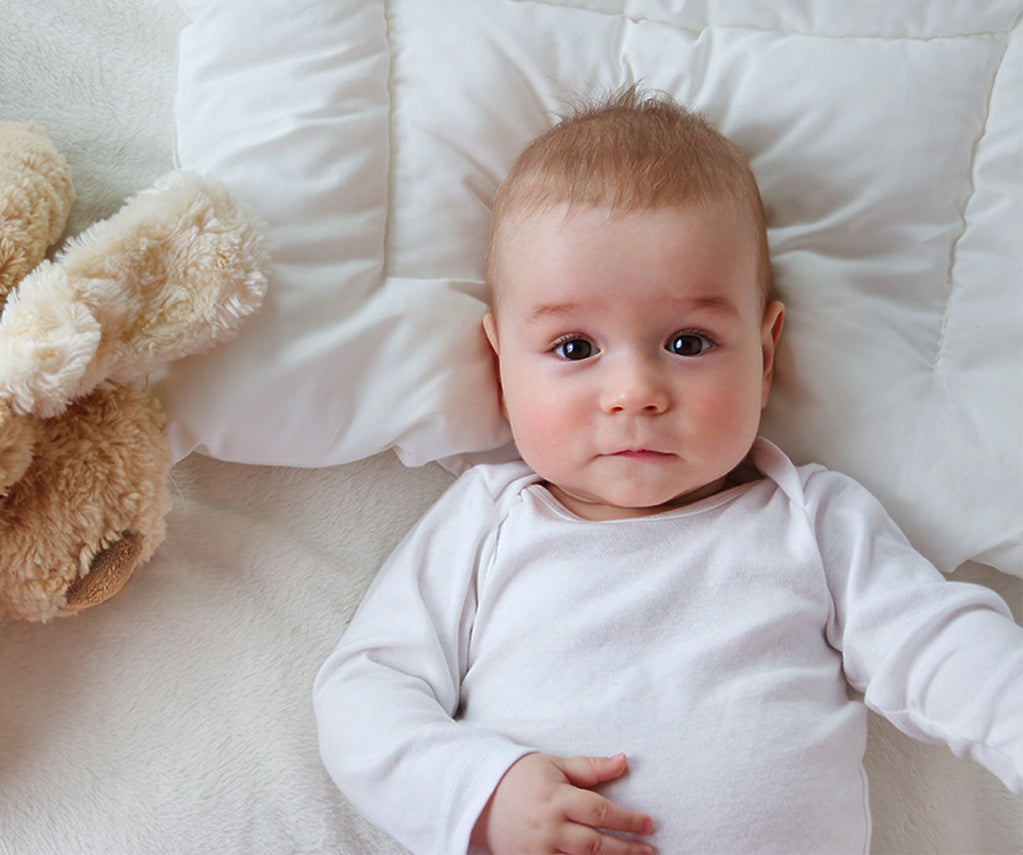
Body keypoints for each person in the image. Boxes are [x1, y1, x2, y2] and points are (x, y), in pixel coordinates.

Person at [313, 88, 1023, 855]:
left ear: (764, 350)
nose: (634, 394)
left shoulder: (811, 519)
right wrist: (481, 791)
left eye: (687, 343)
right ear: (498, 357)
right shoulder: (487, 519)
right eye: (574, 347)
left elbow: (941, 648)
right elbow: (363, 693)